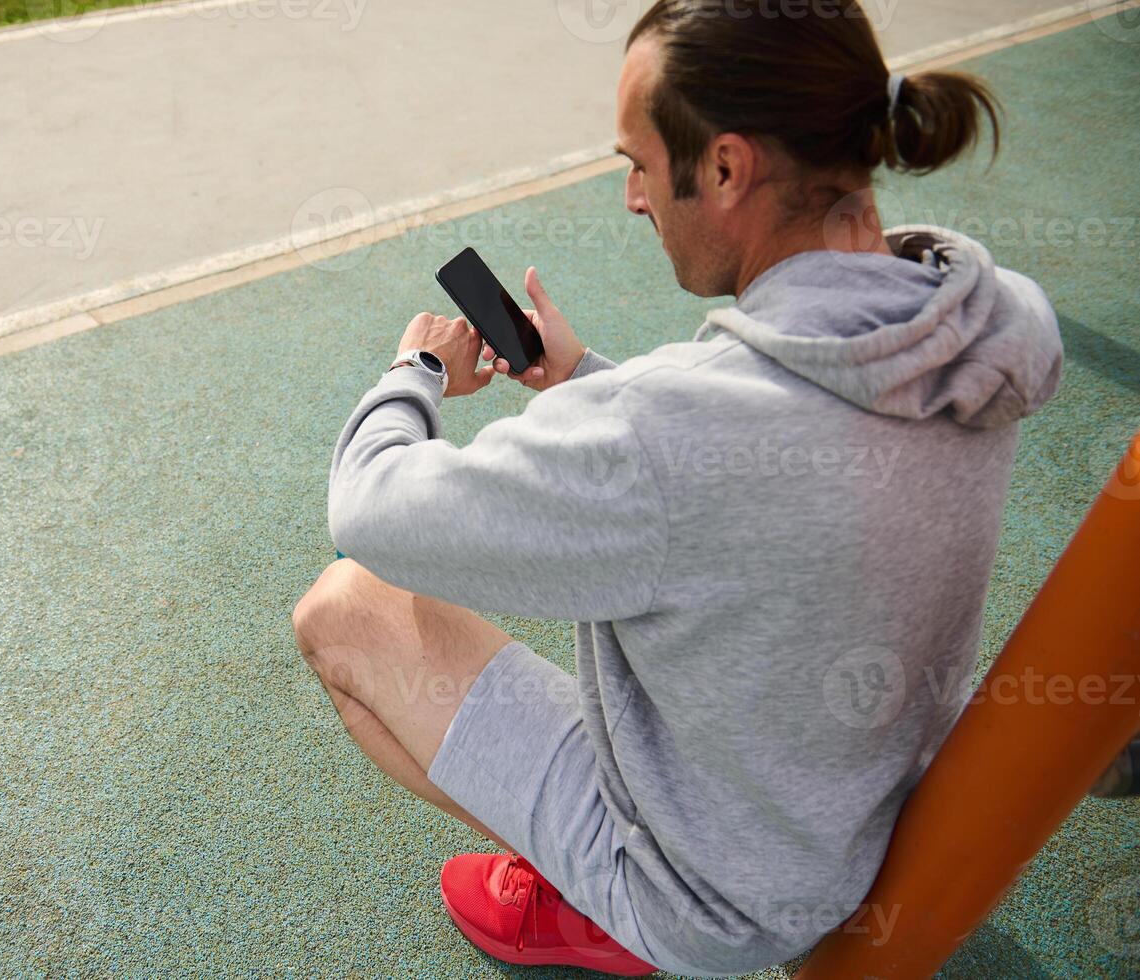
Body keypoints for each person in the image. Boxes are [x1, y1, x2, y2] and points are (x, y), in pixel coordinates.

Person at [290, 0, 1063, 974]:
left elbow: (367, 509)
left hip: (717, 891)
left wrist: (420, 372)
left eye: (641, 163)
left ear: (728, 167)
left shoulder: (662, 432)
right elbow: (760, 469)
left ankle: (603, 902)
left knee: (343, 609)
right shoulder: (976, 328)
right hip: (879, 800)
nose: (632, 196)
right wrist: (585, 381)